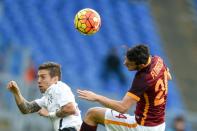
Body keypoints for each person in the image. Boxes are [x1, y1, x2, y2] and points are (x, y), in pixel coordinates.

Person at [77, 44, 172, 131]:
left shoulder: (142, 79)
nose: (124, 63)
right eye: (126, 59)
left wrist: (97, 97)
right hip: (159, 124)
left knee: (92, 114)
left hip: (143, 126)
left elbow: (122, 107)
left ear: (141, 65)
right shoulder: (158, 60)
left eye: (129, 63)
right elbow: (168, 77)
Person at [7, 62, 82, 131]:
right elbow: (26, 109)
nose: (38, 80)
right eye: (38, 77)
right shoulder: (47, 97)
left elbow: (70, 108)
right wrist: (16, 93)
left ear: (55, 79)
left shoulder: (59, 87)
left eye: (43, 77)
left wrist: (50, 114)